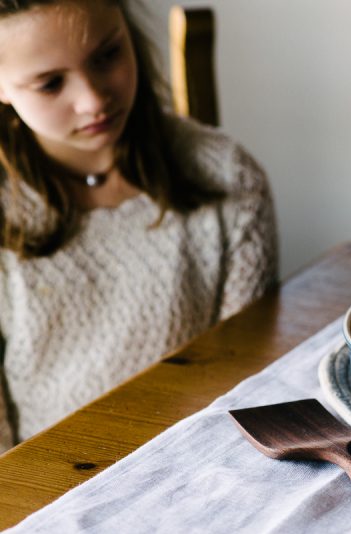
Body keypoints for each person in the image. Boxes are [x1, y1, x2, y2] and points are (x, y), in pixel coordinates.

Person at [0, 0, 277, 451]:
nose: (93, 100)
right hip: (45, 474)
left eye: (107, 55)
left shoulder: (229, 177)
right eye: (50, 83)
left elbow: (245, 375)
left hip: (202, 453)